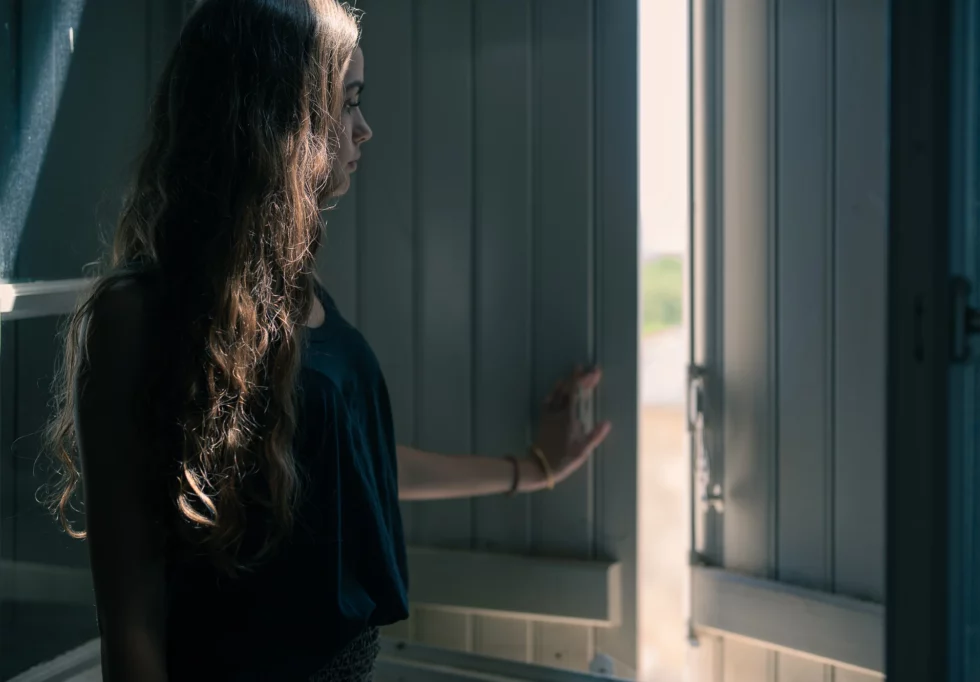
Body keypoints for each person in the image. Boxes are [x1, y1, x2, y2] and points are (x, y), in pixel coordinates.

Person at [41, 1, 612, 681]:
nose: (363, 129)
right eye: (347, 103)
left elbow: (346, 467)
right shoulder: (135, 318)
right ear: (276, 120)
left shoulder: (295, 295)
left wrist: (536, 467)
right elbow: (129, 616)